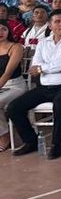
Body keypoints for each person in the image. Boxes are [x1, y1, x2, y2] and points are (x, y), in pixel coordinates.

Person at [5, 8, 61, 158]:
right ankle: (31, 141)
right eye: (57, 21)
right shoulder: (43, 43)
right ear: (50, 25)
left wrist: (44, 68)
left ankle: (56, 145)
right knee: (13, 108)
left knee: (60, 105)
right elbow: (34, 67)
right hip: (45, 87)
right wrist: (58, 68)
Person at [0, 21, 26, 152]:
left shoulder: (16, 47)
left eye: (3, 29)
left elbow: (7, 73)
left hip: (15, 85)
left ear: (8, 31)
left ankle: (4, 136)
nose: (0, 32)